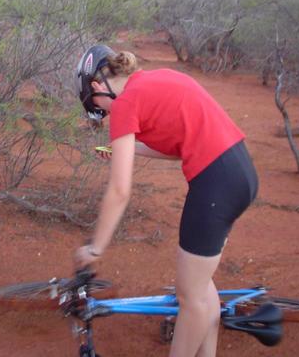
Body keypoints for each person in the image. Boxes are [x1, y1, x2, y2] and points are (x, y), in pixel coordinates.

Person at [73, 44, 258, 357]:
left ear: (96, 87)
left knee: (191, 299)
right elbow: (178, 146)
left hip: (215, 185)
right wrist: (125, 150)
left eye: (100, 109)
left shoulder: (126, 103)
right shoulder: (157, 79)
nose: (106, 115)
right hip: (239, 174)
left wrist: (94, 248)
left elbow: (119, 191)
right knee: (201, 289)